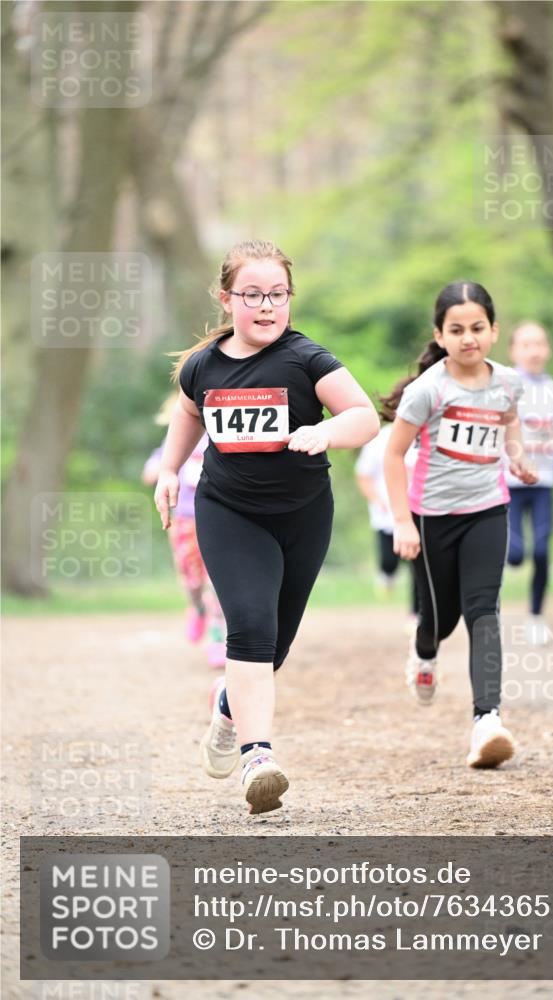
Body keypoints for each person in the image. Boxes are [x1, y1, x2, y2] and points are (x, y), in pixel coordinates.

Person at [153, 240, 379, 814]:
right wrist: (170, 472)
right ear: (227, 298)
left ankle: (229, 708)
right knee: (249, 626)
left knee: (272, 643)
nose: (266, 305)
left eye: (277, 294)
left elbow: (363, 416)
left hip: (303, 516)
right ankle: (259, 757)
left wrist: (326, 433)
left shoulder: (307, 359)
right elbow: (187, 409)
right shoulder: (204, 365)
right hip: (228, 511)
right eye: (253, 294)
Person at [384, 280, 537, 769]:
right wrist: (403, 523)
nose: (468, 337)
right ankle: (423, 650)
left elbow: (508, 418)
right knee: (441, 618)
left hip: (487, 509)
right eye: (457, 329)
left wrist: (516, 457)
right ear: (440, 335)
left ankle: (486, 721)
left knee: (483, 612)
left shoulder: (508, 382)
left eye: (477, 328)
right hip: (431, 518)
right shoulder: (429, 390)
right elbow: (393, 455)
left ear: (493, 330)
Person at [505, 322, 553, 645]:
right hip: (509, 481)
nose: (534, 350)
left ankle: (536, 617)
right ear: (513, 351)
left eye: (539, 344)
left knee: (543, 550)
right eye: (526, 344)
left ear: (548, 350)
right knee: (516, 552)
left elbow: (550, 436)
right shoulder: (503, 385)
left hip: (544, 482)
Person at [142, 394, 227, 669]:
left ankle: (217, 638)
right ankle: (197, 608)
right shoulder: (178, 438)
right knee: (192, 578)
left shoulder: (222, 433)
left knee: (218, 579)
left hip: (216, 515)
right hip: (185, 518)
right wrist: (158, 469)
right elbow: (152, 468)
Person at [355, 417, 419, 620]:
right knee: (389, 561)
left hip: (421, 512)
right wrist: (377, 500)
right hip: (388, 515)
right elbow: (363, 475)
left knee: (419, 566)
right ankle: (387, 575)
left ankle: (416, 615)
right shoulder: (381, 439)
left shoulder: (430, 434)